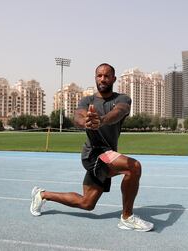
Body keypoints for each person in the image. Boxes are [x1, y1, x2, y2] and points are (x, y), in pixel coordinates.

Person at [30, 63, 153, 232]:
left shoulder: (122, 99)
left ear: (114, 79)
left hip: (107, 154)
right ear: (95, 78)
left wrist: (101, 120)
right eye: (99, 75)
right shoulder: (87, 100)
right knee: (133, 167)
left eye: (107, 76)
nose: (102, 79)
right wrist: (86, 122)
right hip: (94, 153)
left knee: (86, 203)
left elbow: (119, 112)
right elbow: (78, 117)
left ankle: (42, 195)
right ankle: (127, 218)